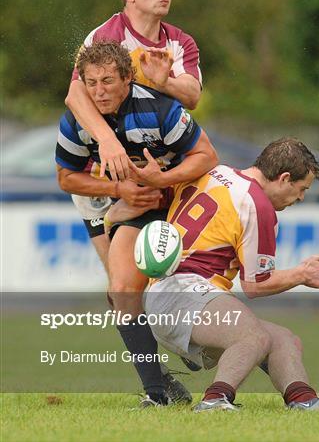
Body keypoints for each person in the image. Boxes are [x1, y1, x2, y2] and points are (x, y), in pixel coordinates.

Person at [108, 137, 319, 412]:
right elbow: (256, 285)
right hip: (185, 293)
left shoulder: (215, 172)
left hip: (168, 295)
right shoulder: (257, 205)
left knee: (284, 339)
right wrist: (302, 274)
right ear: (284, 178)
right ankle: (214, 400)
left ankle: (304, 399)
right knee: (253, 336)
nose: (301, 198)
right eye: (301, 189)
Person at [55, 40, 218, 406]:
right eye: (91, 82)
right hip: (138, 208)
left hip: (182, 204)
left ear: (128, 78)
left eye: (108, 81)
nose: (99, 91)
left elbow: (207, 155)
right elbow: (66, 178)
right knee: (122, 291)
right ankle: (157, 395)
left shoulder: (159, 108)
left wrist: (159, 180)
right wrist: (120, 188)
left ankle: (260, 367)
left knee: (193, 298)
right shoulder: (79, 121)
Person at [65, 0, 202, 267]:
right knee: (119, 286)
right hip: (101, 169)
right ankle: (112, 218)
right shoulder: (108, 35)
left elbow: (192, 95)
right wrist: (107, 141)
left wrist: (163, 81)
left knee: (154, 273)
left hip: (156, 170)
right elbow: (75, 94)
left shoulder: (180, 42)